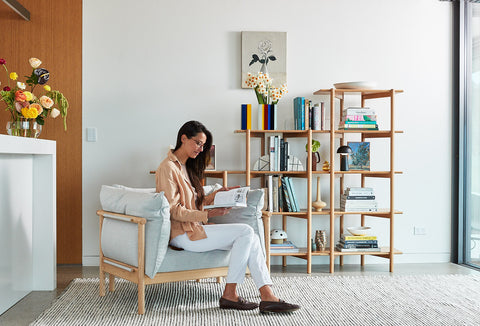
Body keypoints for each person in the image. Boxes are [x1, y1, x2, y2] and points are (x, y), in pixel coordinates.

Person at [156, 120, 300, 314]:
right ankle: (230, 294)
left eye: (203, 145)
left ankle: (267, 296)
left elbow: (193, 203)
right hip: (183, 234)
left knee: (252, 238)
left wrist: (215, 197)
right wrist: (207, 214)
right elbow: (174, 210)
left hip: (195, 229)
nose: (201, 148)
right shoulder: (167, 168)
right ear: (183, 138)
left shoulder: (185, 167)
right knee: (246, 232)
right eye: (198, 143)